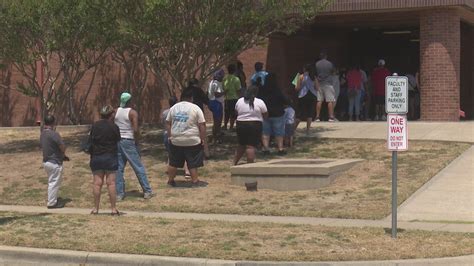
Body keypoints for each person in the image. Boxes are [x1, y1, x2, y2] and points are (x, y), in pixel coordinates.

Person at [115, 92, 155, 201]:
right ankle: (147, 190)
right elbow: (135, 129)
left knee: (119, 168)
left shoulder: (116, 111)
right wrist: (137, 141)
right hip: (128, 140)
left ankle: (119, 193)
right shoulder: (132, 112)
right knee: (138, 166)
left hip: (118, 141)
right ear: (130, 101)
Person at [166, 88, 209, 186]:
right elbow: (202, 124)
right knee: (192, 162)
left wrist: (170, 136)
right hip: (192, 139)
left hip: (176, 139)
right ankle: (195, 181)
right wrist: (202, 138)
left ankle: (171, 180)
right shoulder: (196, 108)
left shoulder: (174, 108)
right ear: (191, 98)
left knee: (173, 162)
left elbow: (168, 123)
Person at [89, 105, 121, 215]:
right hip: (110, 156)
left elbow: (90, 140)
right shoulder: (114, 127)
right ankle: (113, 208)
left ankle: (95, 208)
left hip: (97, 156)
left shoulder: (95, 126)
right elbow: (118, 140)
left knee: (97, 183)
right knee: (111, 183)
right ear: (111, 114)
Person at [233, 85, 268, 165]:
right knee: (250, 146)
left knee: (241, 145)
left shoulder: (239, 101)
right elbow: (265, 114)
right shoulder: (260, 102)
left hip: (241, 124)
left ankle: (234, 163)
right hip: (255, 124)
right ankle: (249, 165)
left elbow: (236, 112)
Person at [40, 115, 67, 209]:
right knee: (54, 182)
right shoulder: (54, 134)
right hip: (54, 162)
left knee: (51, 181)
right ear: (53, 123)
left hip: (46, 161)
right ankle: (52, 203)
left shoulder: (43, 133)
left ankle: (52, 199)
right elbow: (62, 146)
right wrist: (63, 154)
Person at [259, 72, 288, 155]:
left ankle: (266, 148)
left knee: (265, 132)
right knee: (279, 132)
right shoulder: (278, 90)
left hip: (265, 113)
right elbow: (285, 100)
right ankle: (280, 149)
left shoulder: (262, 90)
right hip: (278, 113)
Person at [295, 64, 319, 134]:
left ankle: (293, 128)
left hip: (303, 95)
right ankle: (308, 130)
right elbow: (317, 88)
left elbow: (297, 88)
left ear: (304, 69)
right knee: (310, 113)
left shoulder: (300, 76)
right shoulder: (314, 77)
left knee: (300, 113)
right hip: (312, 96)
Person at [315, 51, 336, 122]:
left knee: (319, 100)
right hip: (328, 83)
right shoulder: (330, 63)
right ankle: (331, 117)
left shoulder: (317, 64)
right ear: (326, 56)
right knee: (330, 101)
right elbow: (333, 72)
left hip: (320, 83)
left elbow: (315, 74)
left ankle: (317, 117)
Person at [207, 69, 225, 144]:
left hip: (211, 102)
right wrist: (225, 92)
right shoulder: (217, 83)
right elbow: (217, 94)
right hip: (216, 103)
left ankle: (216, 135)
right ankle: (216, 137)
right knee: (218, 121)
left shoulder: (211, 82)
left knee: (216, 120)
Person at [223, 64, 240, 131]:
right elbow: (238, 89)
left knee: (226, 113)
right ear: (234, 70)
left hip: (226, 98)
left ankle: (225, 126)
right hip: (234, 98)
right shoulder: (236, 79)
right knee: (233, 113)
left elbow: (223, 88)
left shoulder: (224, 78)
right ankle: (231, 127)